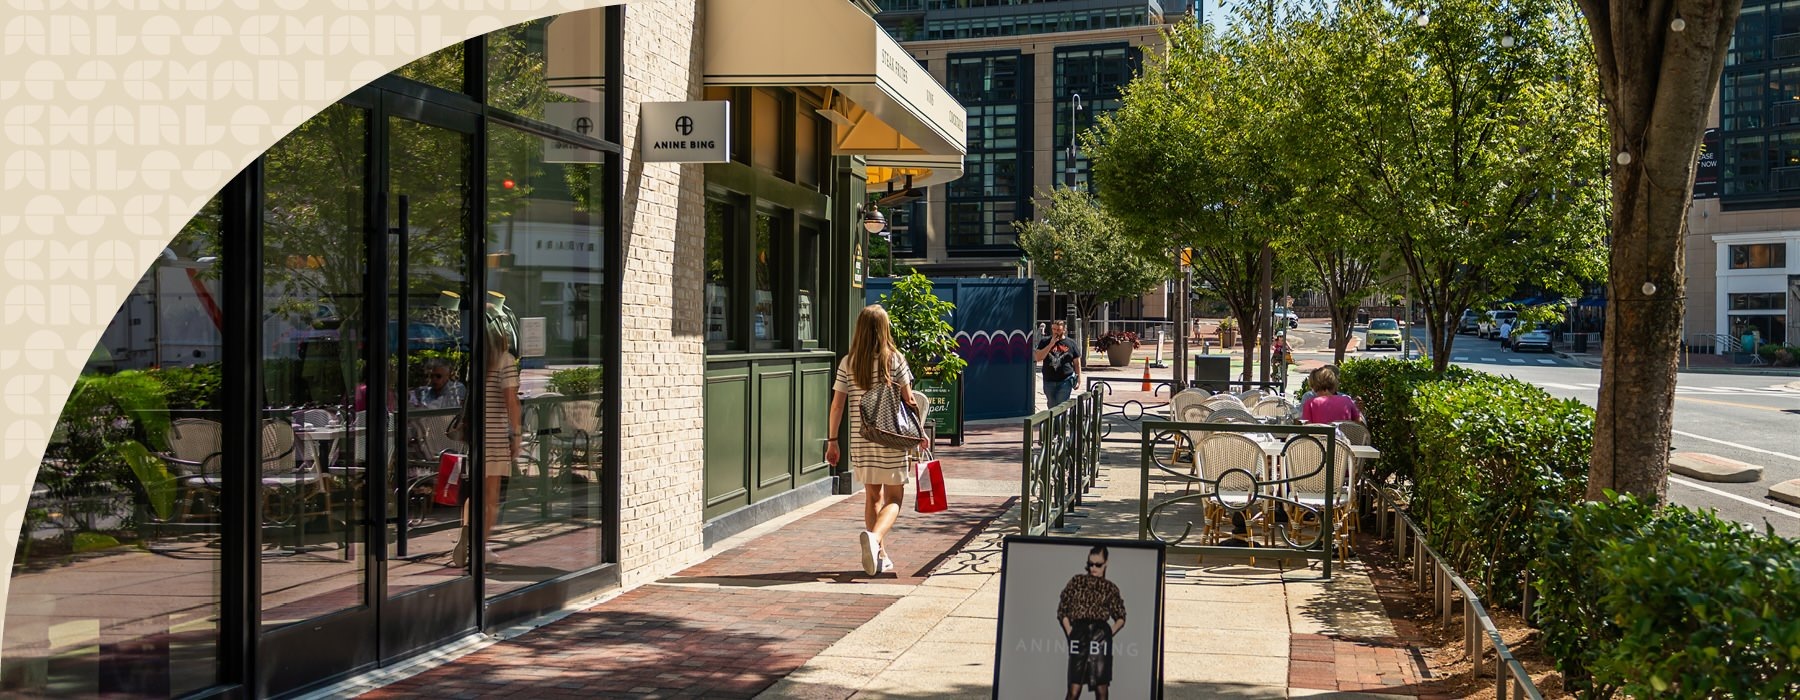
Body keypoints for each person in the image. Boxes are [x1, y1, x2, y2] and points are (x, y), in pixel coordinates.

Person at [826, 305, 929, 577]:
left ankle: (879, 554)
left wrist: (832, 440)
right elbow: (909, 400)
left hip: (863, 439)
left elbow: (837, 406)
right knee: (894, 498)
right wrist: (920, 433)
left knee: (873, 496)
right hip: (892, 438)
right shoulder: (894, 360)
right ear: (884, 329)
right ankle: (874, 539)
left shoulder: (849, 362)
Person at [453, 306, 522, 568]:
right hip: (494, 436)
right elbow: (511, 400)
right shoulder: (505, 360)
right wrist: (516, 434)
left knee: (474, 492)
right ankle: (481, 545)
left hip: (476, 436)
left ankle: (468, 536)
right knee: (491, 496)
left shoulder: (477, 362)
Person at [1059, 545, 1127, 700]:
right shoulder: (1077, 581)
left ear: (1106, 563)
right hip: (1079, 632)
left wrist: (1108, 633)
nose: (1093, 568)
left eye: (1098, 564)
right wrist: (1070, 631)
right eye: (1091, 564)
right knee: (1073, 689)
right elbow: (1063, 608)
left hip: (1100, 635)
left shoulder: (1110, 588)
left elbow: (1121, 616)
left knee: (1101, 689)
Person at [1033, 320, 1083, 408]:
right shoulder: (1045, 341)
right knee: (1051, 405)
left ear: (1064, 330)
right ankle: (1055, 421)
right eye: (1054, 329)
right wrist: (1051, 344)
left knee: (1060, 406)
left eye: (1058, 330)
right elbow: (1038, 357)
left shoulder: (1071, 343)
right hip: (1049, 380)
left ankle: (1060, 421)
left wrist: (1078, 379)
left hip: (1065, 380)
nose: (1056, 332)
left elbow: (1077, 363)